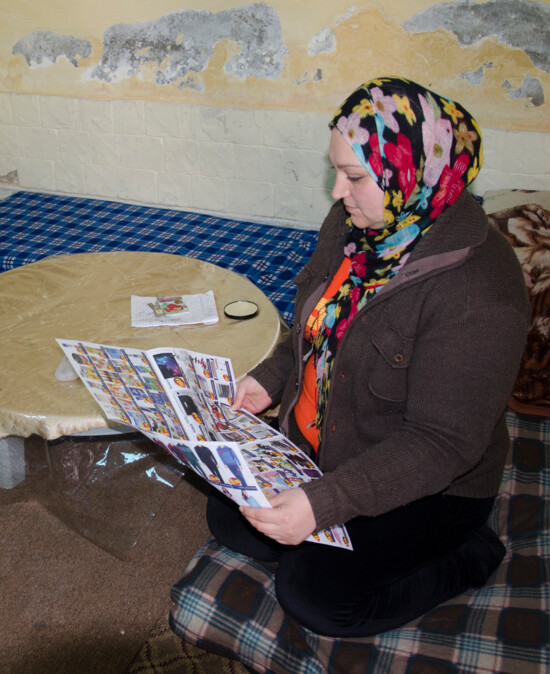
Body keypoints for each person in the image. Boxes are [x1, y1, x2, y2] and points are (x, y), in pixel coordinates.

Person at [208, 76, 531, 638]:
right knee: (229, 519)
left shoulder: (479, 292)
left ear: (411, 173)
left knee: (315, 597)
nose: (338, 191)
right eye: (337, 171)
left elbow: (441, 444)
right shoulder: (354, 224)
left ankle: (471, 555)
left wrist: (326, 501)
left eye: (355, 177)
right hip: (329, 441)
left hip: (431, 480)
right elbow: (313, 327)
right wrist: (269, 380)